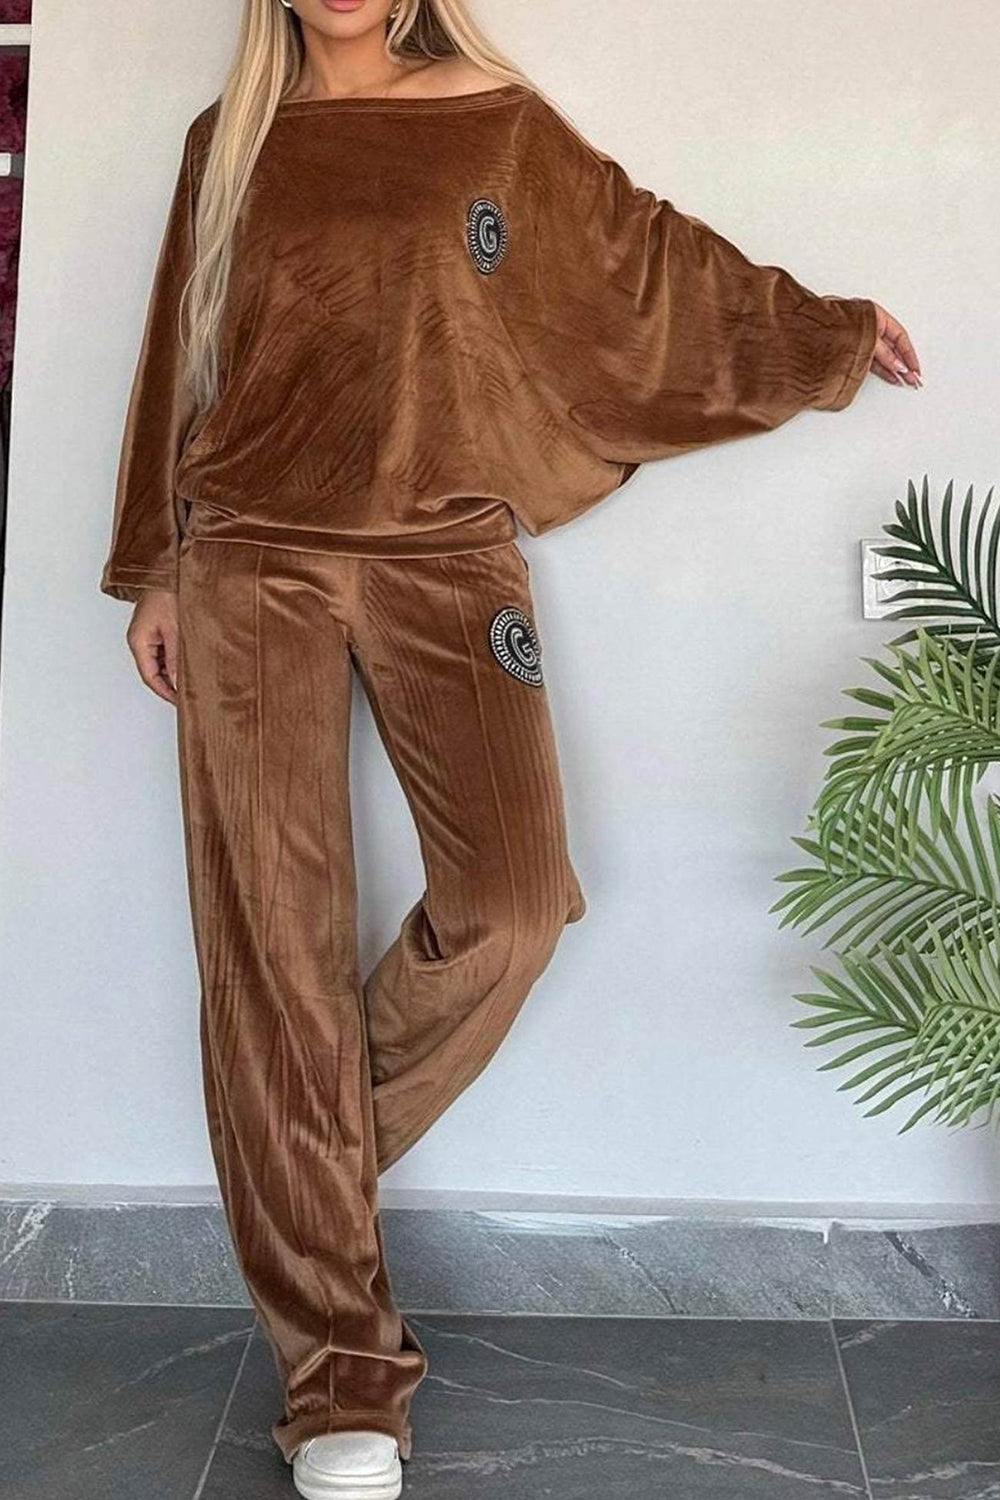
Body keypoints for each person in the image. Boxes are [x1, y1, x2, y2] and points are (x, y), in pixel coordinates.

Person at [98, 2, 921, 1496]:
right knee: (271, 946)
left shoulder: (492, 119)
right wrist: (155, 562)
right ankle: (340, 1377)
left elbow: (642, 276)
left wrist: (823, 334)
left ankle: (297, 1178)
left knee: (517, 902)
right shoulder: (231, 143)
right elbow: (183, 353)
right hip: (248, 559)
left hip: (446, 555)